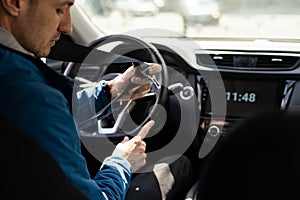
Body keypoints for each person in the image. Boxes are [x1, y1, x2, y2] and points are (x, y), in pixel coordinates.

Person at [0, 0, 193, 200]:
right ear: (14, 3)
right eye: (59, 10)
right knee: (179, 164)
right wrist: (121, 162)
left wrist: (111, 92)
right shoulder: (36, 99)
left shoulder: (12, 75)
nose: (67, 27)